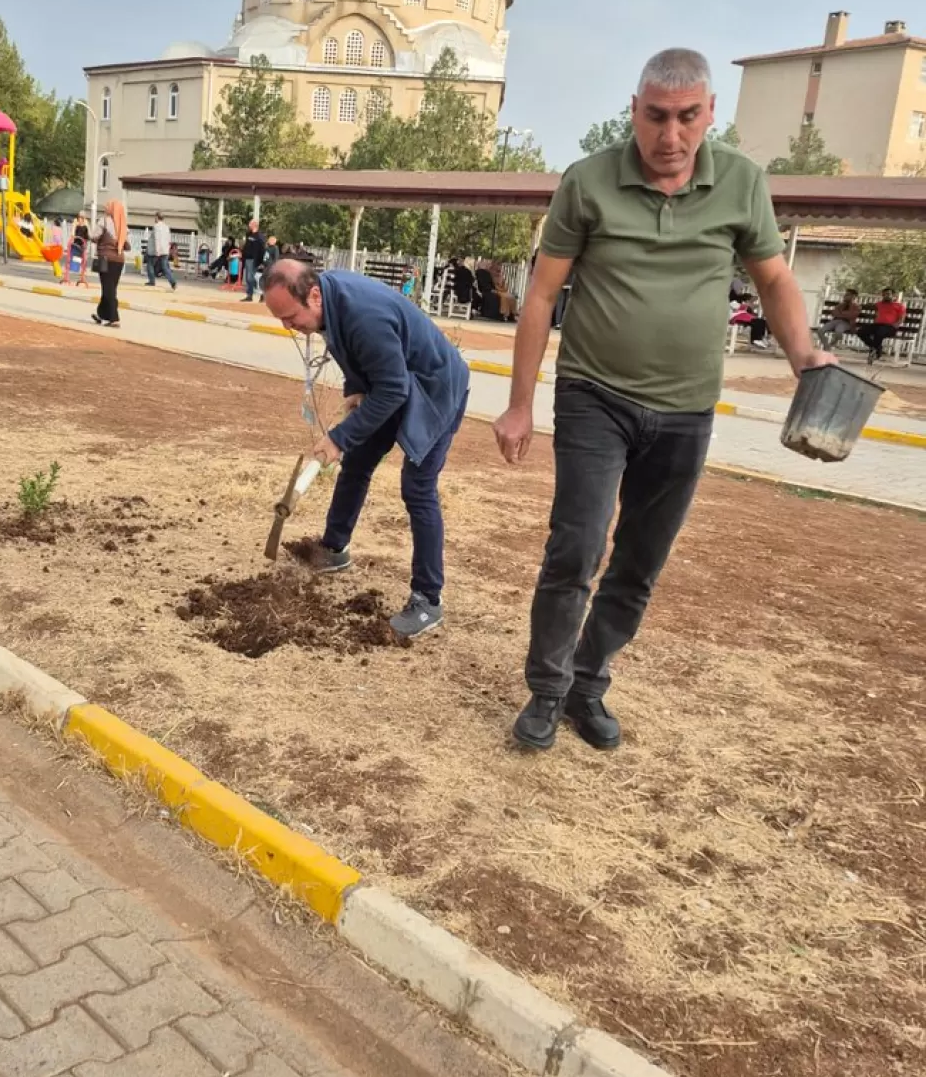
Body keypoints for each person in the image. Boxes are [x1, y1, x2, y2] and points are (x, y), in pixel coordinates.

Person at [493, 47, 834, 753]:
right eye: (655, 117)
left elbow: (773, 281)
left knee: (641, 560)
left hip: (686, 409)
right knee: (576, 548)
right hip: (595, 397)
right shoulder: (588, 182)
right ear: (634, 112)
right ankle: (547, 690)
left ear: (711, 114)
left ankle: (589, 684)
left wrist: (804, 356)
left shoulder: (741, 182)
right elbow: (542, 296)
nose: (669, 136)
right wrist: (520, 404)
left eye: (686, 118)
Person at [263, 259, 470, 640]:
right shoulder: (327, 303)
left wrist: (339, 438)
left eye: (291, 318)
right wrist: (356, 392)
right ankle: (334, 549)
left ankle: (428, 599)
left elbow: (393, 390)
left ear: (312, 295)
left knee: (417, 487)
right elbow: (357, 359)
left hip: (435, 388)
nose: (288, 327)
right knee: (357, 462)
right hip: (396, 381)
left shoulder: (362, 315)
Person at [91, 200, 129, 326]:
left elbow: (94, 236)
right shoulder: (123, 225)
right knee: (111, 288)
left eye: (108, 206)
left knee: (108, 289)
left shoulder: (104, 221)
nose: (105, 207)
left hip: (106, 259)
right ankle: (101, 314)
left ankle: (114, 318)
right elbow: (127, 246)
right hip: (119, 260)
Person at [858, 289, 907, 361]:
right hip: (877, 325)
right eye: (884, 294)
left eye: (888, 294)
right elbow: (870, 305)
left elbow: (901, 319)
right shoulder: (879, 304)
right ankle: (876, 348)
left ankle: (874, 353)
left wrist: (895, 325)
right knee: (861, 331)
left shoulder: (899, 306)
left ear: (893, 295)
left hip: (890, 327)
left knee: (879, 332)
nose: (885, 296)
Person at [150, 214, 177, 290]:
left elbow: (157, 239)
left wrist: (157, 250)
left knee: (151, 263)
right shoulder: (166, 226)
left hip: (159, 249)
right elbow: (169, 239)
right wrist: (168, 249)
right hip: (165, 249)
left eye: (155, 217)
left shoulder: (156, 226)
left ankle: (153, 279)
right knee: (165, 266)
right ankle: (172, 282)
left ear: (157, 217)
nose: (154, 219)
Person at [242, 218, 267, 300]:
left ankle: (262, 293)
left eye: (250, 223)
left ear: (255, 225)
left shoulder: (260, 236)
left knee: (251, 277)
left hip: (254, 259)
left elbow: (262, 249)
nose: (249, 225)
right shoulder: (249, 234)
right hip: (247, 259)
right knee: (248, 279)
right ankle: (249, 295)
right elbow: (246, 246)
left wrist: (261, 261)